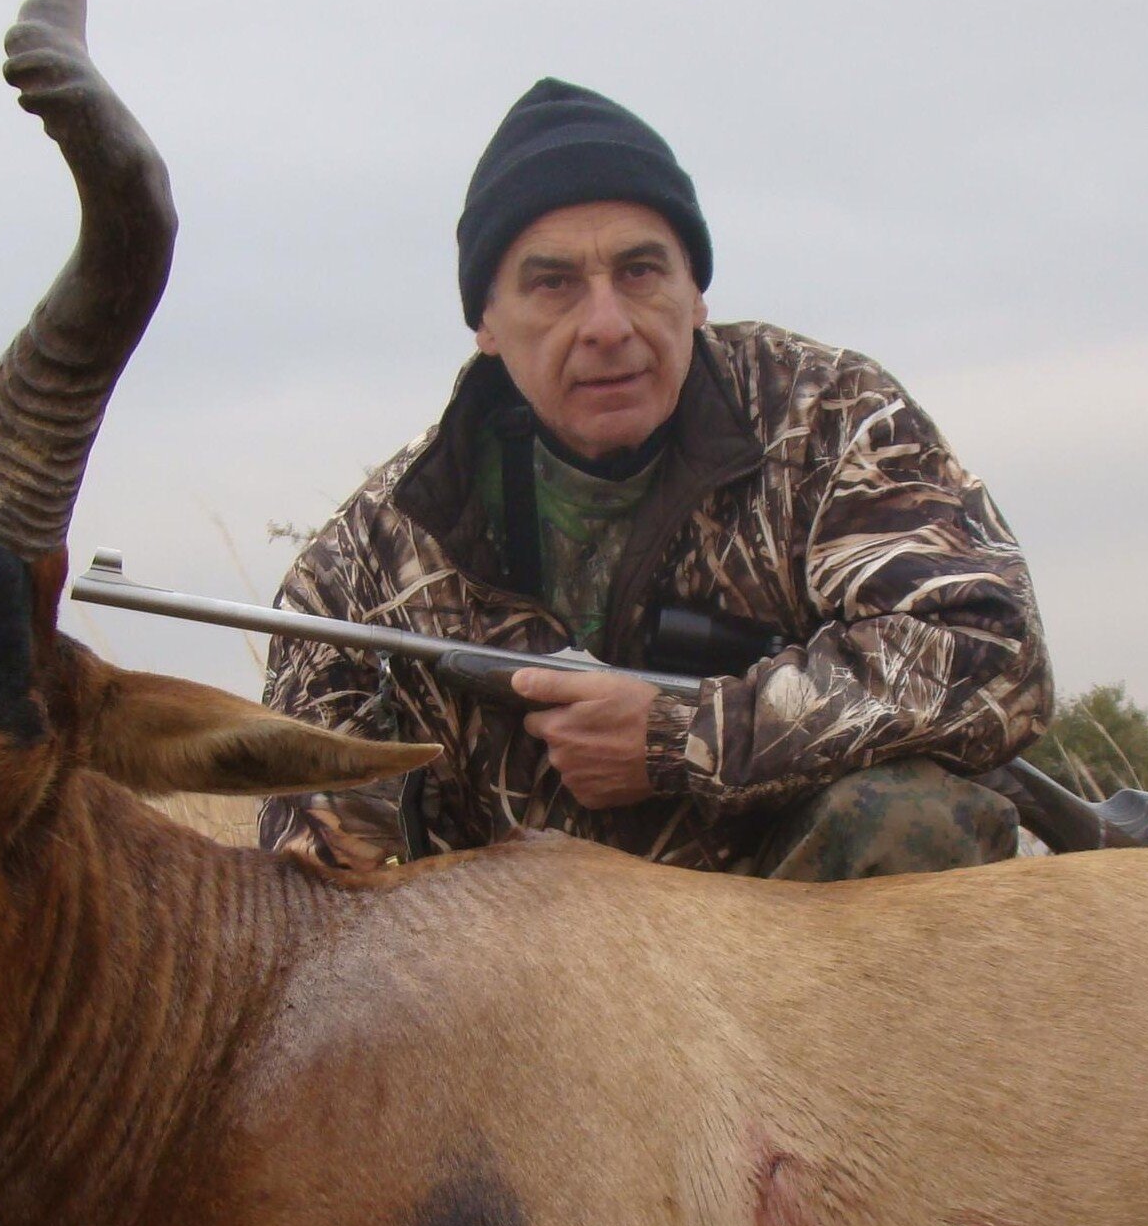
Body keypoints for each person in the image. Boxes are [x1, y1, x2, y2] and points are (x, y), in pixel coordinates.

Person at [259, 78, 1051, 879]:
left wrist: (683, 736)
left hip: (802, 970)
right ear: (485, 325)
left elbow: (991, 650)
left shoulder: (830, 420)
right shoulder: (364, 566)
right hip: (518, 978)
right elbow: (308, 870)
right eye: (553, 283)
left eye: (640, 272)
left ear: (694, 293)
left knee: (914, 816)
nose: (607, 326)